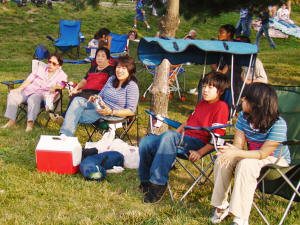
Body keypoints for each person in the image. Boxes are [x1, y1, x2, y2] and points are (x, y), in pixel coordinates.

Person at [138, 72, 230, 203]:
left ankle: (158, 184)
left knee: (169, 136)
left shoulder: (221, 107)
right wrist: (173, 135)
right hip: (182, 139)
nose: (205, 90)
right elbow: (187, 123)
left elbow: (218, 137)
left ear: (220, 91)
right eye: (204, 86)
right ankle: (146, 182)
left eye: (210, 87)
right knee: (146, 142)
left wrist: (200, 152)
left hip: (197, 143)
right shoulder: (201, 104)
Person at [209, 83, 290, 225]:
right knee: (224, 158)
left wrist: (238, 153)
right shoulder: (243, 117)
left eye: (246, 98)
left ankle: (240, 217)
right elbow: (238, 145)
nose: (242, 100)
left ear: (257, 104)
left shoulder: (278, 124)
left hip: (276, 161)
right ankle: (221, 206)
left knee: (246, 164)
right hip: (253, 156)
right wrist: (230, 152)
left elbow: (264, 153)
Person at [59, 55, 139, 137]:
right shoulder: (112, 79)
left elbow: (130, 111)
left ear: (130, 70)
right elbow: (101, 94)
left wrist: (111, 111)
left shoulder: (132, 86)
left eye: (124, 68)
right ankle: (65, 134)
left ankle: (65, 135)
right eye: (118, 67)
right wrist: (95, 97)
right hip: (100, 106)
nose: (119, 70)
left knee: (75, 114)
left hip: (113, 114)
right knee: (77, 100)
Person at [1, 53, 67, 132]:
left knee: (34, 97)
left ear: (59, 65)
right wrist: (19, 89)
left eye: (54, 63)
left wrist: (55, 87)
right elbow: (29, 80)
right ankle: (11, 122)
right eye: (49, 62)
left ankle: (30, 124)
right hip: (28, 91)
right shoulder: (40, 68)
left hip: (43, 95)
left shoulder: (62, 75)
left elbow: (63, 86)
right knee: (13, 95)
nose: (50, 64)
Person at [50, 47, 114, 125]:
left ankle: (64, 117)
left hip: (97, 94)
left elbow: (111, 85)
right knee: (74, 94)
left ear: (108, 59)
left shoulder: (110, 70)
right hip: (86, 92)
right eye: (98, 56)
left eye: (103, 56)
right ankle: (66, 117)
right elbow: (85, 80)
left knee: (76, 98)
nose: (100, 58)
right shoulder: (93, 68)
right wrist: (75, 88)